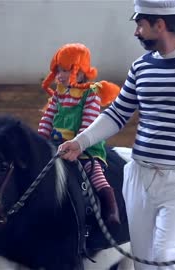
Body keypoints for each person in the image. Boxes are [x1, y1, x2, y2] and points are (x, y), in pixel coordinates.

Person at [59, 0, 175, 269]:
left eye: (140, 25)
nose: (136, 32)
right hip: (139, 177)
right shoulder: (141, 67)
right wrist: (80, 141)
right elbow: (117, 114)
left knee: (167, 258)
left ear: (160, 25)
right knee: (144, 263)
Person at [38, 43, 121, 225]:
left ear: (81, 72)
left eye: (65, 71)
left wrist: (79, 143)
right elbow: (47, 119)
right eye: (58, 71)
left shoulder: (91, 94)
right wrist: (41, 141)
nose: (60, 76)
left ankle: (110, 209)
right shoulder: (58, 95)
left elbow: (89, 123)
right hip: (57, 146)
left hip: (85, 147)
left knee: (95, 173)